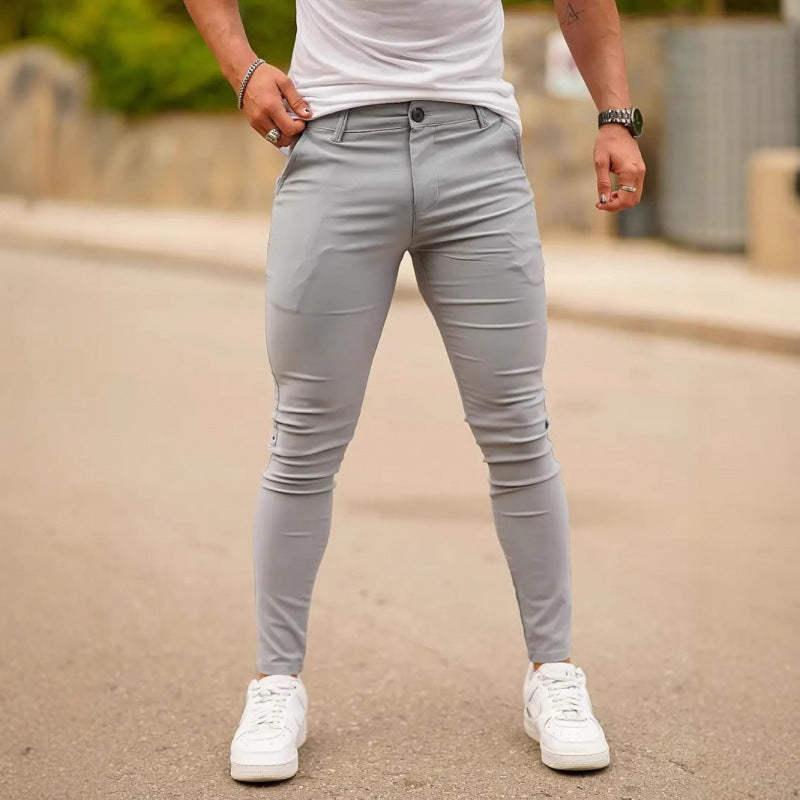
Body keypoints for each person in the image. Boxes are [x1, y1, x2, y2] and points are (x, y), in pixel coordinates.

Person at [184, 0, 645, 782]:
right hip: (334, 145)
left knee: (518, 430)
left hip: (476, 152)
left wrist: (616, 116)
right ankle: (276, 684)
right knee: (304, 436)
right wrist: (243, 68)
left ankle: (554, 674)